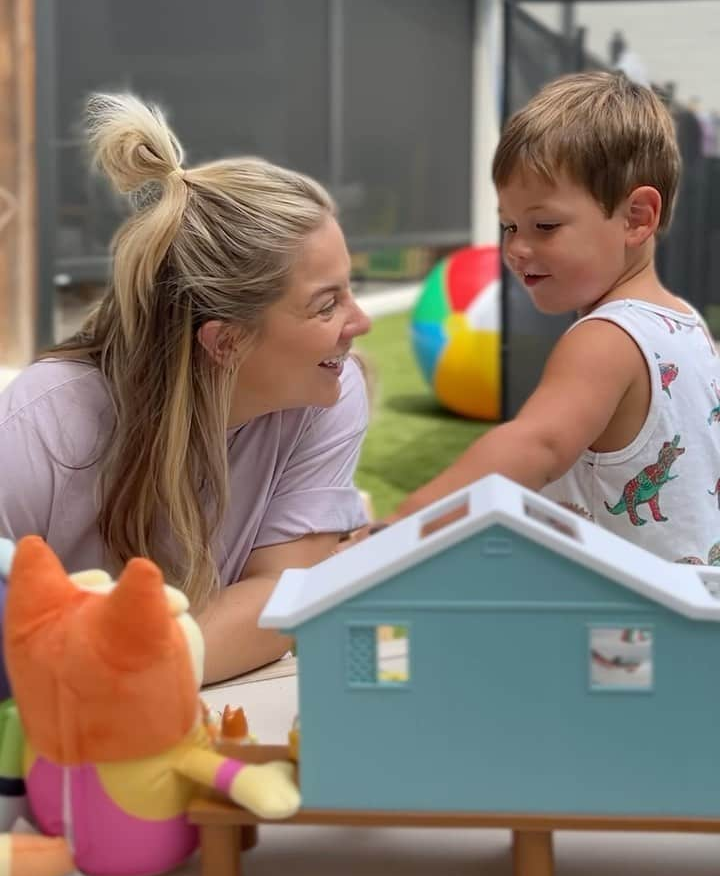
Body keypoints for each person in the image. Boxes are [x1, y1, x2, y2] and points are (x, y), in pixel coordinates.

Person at [0, 94, 371, 682]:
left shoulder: (325, 395)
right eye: (327, 305)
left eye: (349, 290)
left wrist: (129, 682)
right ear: (225, 343)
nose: (362, 322)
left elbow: (281, 593)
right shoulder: (43, 425)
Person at [389, 71, 720, 565]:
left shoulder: (606, 338)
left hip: (629, 628)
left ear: (636, 217)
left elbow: (536, 446)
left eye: (545, 225)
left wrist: (398, 531)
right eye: (509, 225)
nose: (517, 248)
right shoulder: (687, 323)